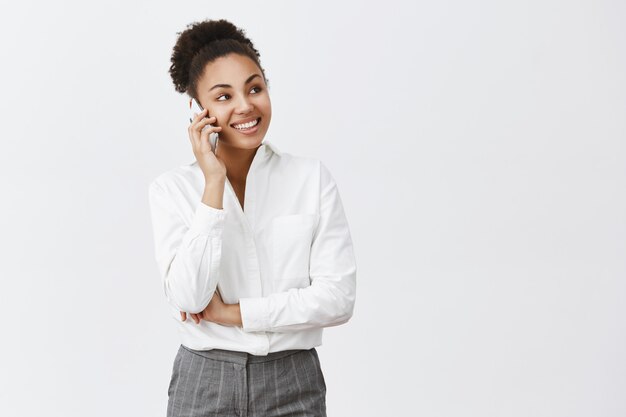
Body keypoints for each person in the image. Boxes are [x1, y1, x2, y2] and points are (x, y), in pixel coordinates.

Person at [148, 18, 357, 417]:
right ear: (198, 109)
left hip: (292, 380)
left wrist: (233, 314)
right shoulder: (171, 190)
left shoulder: (310, 179)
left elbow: (337, 299)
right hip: (205, 380)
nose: (246, 105)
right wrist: (213, 183)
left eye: (255, 88)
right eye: (223, 96)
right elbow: (189, 297)